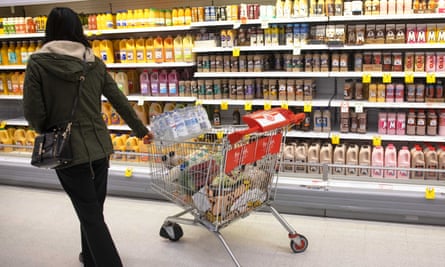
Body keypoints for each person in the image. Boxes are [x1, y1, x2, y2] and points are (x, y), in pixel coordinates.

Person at [23, 7, 152, 267]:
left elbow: (34, 113)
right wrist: (141, 131)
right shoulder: (93, 62)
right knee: (93, 210)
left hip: (66, 151)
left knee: (89, 213)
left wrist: (46, 130)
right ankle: (90, 257)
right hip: (99, 147)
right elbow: (119, 100)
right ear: (77, 30)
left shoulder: (38, 63)